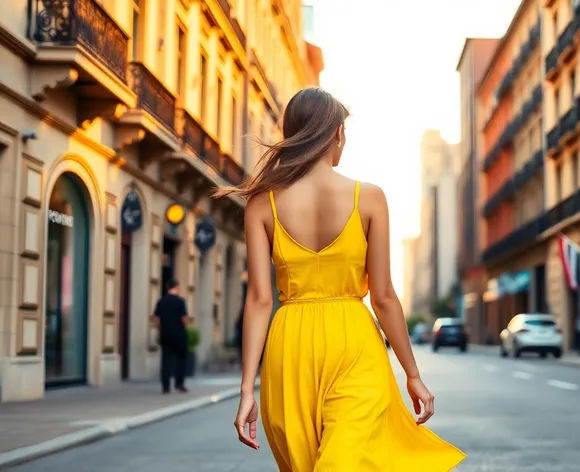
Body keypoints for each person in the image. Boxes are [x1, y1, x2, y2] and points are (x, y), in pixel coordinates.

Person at [216, 87, 465, 471]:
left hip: (289, 349)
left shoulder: (261, 203)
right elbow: (383, 296)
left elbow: (259, 300)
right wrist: (412, 374)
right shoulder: (369, 198)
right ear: (335, 133)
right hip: (354, 344)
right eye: (343, 132)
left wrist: (248, 388)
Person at [153, 279, 189, 394]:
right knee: (181, 359)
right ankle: (179, 383)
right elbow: (184, 319)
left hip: (166, 334)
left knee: (166, 361)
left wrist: (161, 329)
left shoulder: (161, 301)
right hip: (179, 334)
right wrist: (183, 326)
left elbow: (156, 318)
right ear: (177, 287)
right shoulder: (180, 302)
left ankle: (165, 386)